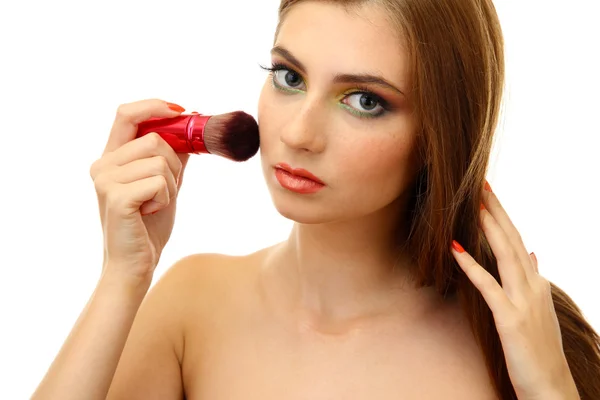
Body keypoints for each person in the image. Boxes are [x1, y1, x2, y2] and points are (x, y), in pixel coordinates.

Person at [31, 1, 600, 399]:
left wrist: (550, 391)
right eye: (288, 76)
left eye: (365, 101)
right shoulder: (190, 308)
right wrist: (122, 278)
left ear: (439, 135)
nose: (299, 133)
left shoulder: (521, 336)